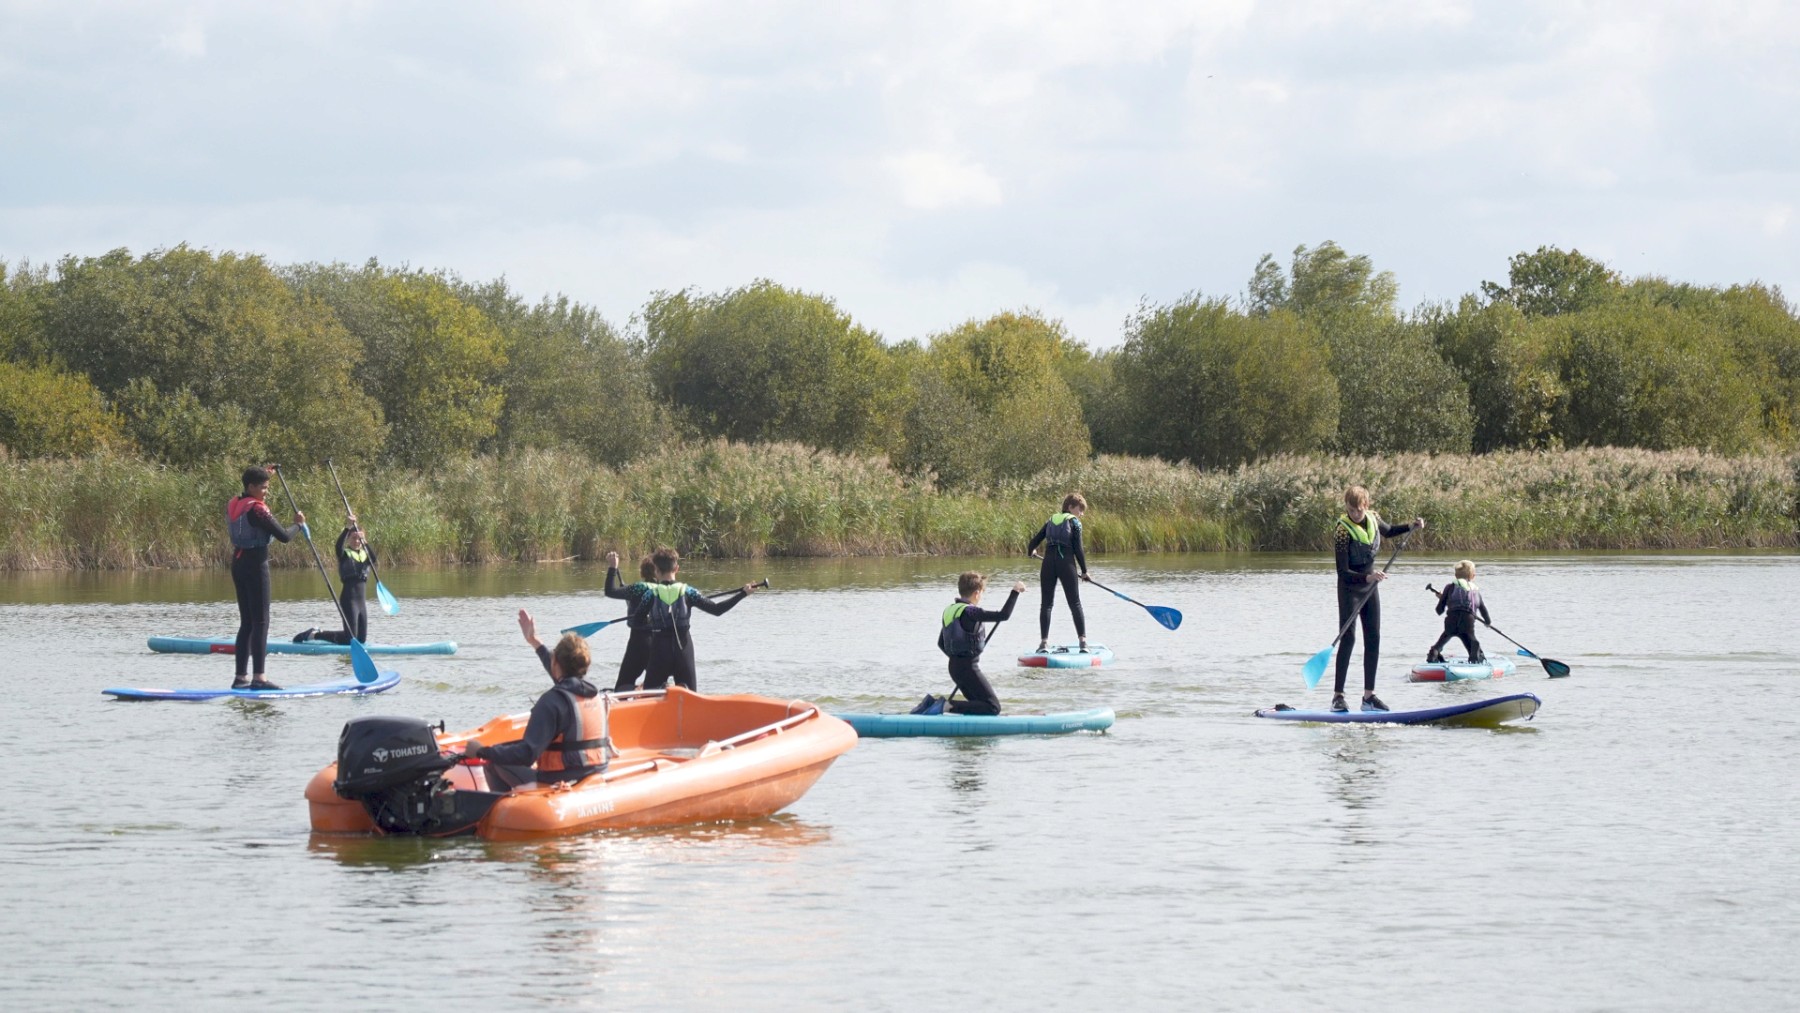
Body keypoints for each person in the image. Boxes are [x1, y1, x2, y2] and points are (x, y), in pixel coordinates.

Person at [460, 610, 608, 791]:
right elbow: (562, 674)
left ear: (556, 662)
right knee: (505, 751)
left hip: (561, 780)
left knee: (493, 761)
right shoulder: (592, 694)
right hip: (594, 774)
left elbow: (527, 754)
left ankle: (503, 813)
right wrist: (535, 642)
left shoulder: (552, 702)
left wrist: (482, 751)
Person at [1332, 484, 1425, 713]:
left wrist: (1410, 526)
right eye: (1351, 510)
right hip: (1350, 587)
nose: (1355, 514)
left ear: (1366, 506)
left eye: (1358, 510)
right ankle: (1338, 697)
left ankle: (1368, 696)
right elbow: (1342, 572)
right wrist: (1368, 576)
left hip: (1371, 586)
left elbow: (1390, 530)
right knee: (1349, 638)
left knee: (1373, 637)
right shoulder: (1342, 531)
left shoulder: (1373, 518)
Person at [632, 547, 759, 692]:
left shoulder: (650, 594)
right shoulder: (688, 592)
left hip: (659, 651)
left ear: (655, 570)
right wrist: (742, 594)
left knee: (650, 697)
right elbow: (717, 610)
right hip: (683, 651)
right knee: (690, 697)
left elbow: (637, 623)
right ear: (677, 568)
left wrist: (653, 624)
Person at [226, 465, 304, 690]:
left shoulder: (234, 503)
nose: (266, 492)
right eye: (263, 488)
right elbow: (284, 536)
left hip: (238, 563)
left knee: (247, 623)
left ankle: (240, 677)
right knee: (261, 622)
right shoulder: (257, 509)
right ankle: (259, 678)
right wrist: (298, 525)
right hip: (255, 566)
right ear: (251, 487)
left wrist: (265, 472)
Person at [915, 571, 1026, 716]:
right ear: (977, 593)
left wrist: (958, 657)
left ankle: (935, 704)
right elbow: (1003, 615)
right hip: (968, 668)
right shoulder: (970, 612)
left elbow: (941, 643)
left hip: (955, 667)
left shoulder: (950, 610)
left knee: (980, 706)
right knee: (993, 707)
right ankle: (945, 706)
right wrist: (1015, 591)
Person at [294, 515, 374, 645]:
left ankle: (322, 633)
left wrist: (365, 541)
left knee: (361, 639)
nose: (357, 541)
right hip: (349, 601)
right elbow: (338, 546)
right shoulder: (344, 555)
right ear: (348, 539)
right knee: (350, 639)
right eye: (354, 538)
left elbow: (374, 558)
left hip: (361, 603)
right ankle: (315, 635)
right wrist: (347, 528)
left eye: (359, 539)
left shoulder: (366, 556)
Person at [1027, 493, 1091, 653]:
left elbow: (1033, 542)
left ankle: (1043, 643)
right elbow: (1078, 549)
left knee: (1046, 604)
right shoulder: (1074, 522)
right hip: (1066, 564)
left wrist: (1031, 551)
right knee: (1075, 603)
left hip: (1048, 564)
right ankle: (1083, 643)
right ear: (1070, 507)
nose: (1081, 514)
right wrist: (1084, 571)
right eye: (1080, 509)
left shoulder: (1051, 520)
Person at [602, 551, 659, 692]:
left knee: (622, 686)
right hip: (661, 642)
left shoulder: (638, 588)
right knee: (656, 684)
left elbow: (610, 591)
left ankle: (634, 692)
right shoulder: (667, 590)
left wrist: (613, 567)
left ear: (642, 573)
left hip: (640, 642)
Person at [1426, 560, 1491, 663]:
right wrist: (1487, 622)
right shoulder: (1475, 590)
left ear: (1456, 575)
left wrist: (1443, 598)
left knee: (1444, 638)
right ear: (1473, 576)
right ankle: (1476, 653)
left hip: (1451, 620)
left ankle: (1434, 653)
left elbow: (1439, 610)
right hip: (1468, 620)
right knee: (1469, 637)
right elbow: (1482, 608)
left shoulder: (1449, 587)